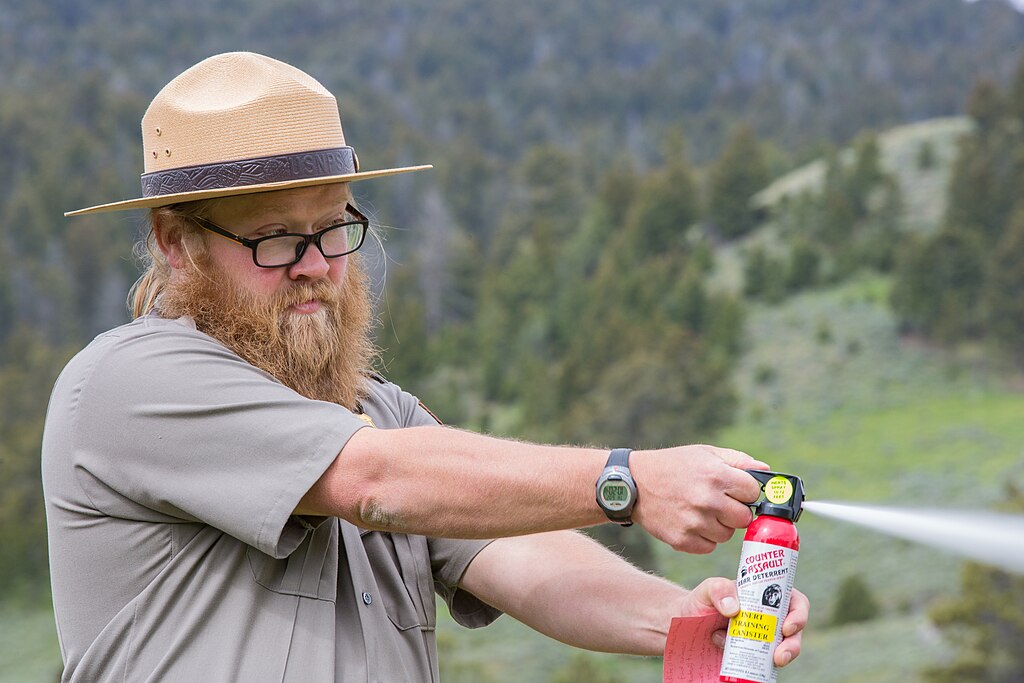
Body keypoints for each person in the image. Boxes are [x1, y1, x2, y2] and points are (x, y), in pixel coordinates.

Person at [43, 52, 807, 682]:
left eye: (332, 227)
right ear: (177, 243)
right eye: (274, 238)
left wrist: (683, 619)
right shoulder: (130, 382)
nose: (316, 266)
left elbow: (516, 552)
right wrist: (629, 480)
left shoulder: (379, 411)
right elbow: (377, 484)